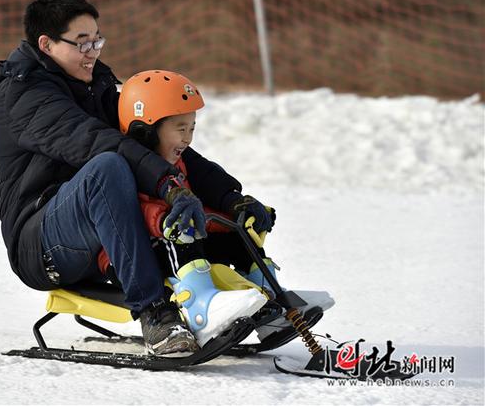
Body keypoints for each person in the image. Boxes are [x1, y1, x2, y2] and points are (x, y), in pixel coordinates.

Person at [0, 0, 273, 356]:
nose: (93, 52)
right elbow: (92, 142)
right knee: (107, 166)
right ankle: (154, 313)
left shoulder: (95, 84)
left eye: (97, 41)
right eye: (82, 43)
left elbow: (154, 144)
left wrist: (230, 197)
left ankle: (259, 294)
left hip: (101, 230)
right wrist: (167, 185)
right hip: (42, 242)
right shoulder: (23, 95)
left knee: (151, 144)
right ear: (47, 44)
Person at [116, 69, 336, 346]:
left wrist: (235, 211)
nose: (187, 139)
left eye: (192, 128)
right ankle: (201, 309)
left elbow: (208, 188)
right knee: (182, 232)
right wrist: (164, 221)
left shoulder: (179, 161)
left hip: (185, 238)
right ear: (145, 132)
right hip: (149, 250)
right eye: (180, 129)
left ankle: (270, 301)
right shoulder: (131, 168)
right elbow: (133, 210)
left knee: (234, 236)